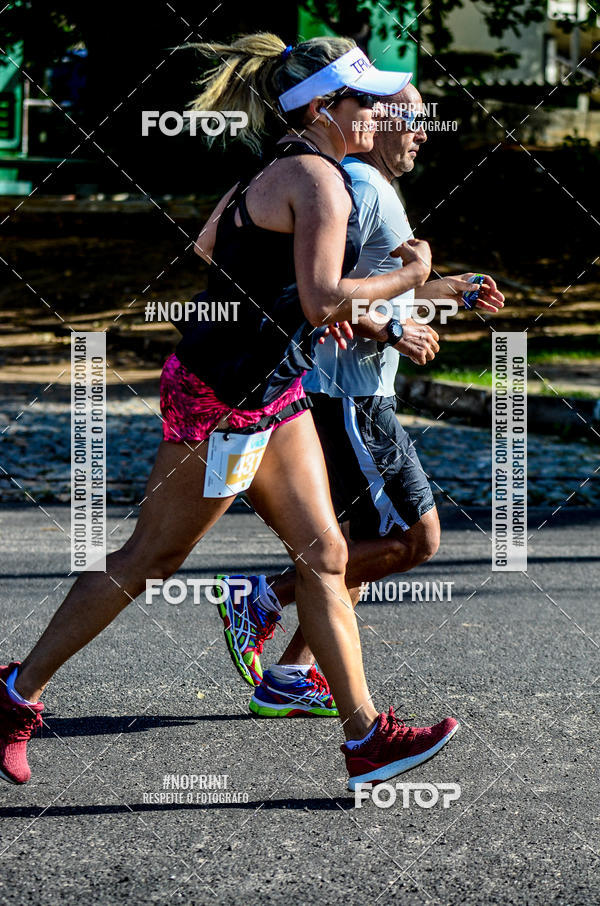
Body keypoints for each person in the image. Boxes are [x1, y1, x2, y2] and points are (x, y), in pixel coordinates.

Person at [0, 34, 457, 791]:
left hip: (272, 391)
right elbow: (320, 296)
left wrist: (294, 303)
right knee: (150, 559)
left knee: (326, 556)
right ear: (322, 109)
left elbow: (215, 248)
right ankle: (14, 696)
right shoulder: (321, 181)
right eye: (364, 100)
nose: (377, 112)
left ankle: (366, 741)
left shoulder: (283, 167)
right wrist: (407, 278)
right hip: (222, 399)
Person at [217, 82, 504, 721]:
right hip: (347, 397)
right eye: (411, 120)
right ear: (373, 120)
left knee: (350, 548)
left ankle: (293, 671)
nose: (423, 133)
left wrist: (449, 290)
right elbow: (326, 291)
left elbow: (376, 288)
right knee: (414, 539)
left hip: (348, 393)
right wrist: (394, 324)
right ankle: (262, 595)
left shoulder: (370, 187)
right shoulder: (361, 188)